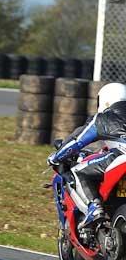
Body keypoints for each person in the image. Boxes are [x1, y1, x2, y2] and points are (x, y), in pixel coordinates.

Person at [48, 82, 126, 228]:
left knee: (77, 171)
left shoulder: (103, 118)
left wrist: (56, 157)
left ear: (105, 100)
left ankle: (94, 208)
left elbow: (77, 140)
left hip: (121, 156)